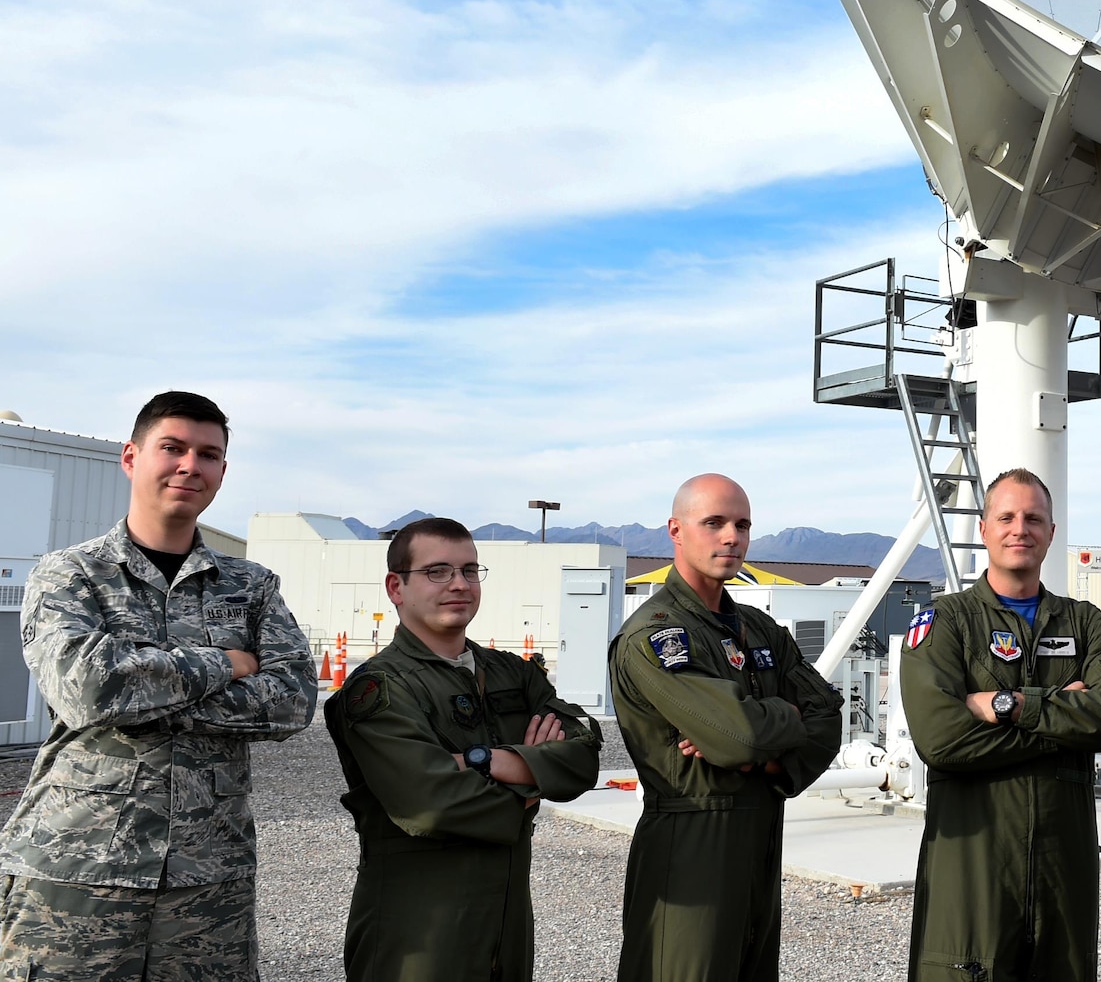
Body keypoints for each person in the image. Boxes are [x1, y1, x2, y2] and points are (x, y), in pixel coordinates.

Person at [0, 391, 316, 979]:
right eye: (172, 448)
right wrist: (228, 663)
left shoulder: (250, 585)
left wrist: (142, 688)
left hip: (208, 877)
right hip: (77, 868)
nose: (189, 465)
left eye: (209, 454)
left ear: (223, 470)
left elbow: (294, 700)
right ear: (131, 457)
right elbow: (87, 690)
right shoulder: (71, 574)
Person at [325, 516, 602, 981]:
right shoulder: (379, 689)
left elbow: (583, 751)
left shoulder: (513, 672)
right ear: (397, 587)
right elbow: (431, 802)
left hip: (506, 926)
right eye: (437, 571)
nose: (459, 584)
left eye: (469, 570)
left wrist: (486, 759)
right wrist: (533, 784)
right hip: (418, 933)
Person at [900, 467, 1101, 982]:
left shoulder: (1086, 622)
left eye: (1034, 518)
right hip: (972, 865)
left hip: (1063, 868)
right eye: (1006, 517)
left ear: (1051, 533)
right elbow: (941, 739)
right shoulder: (945, 622)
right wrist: (1064, 717)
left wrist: (1011, 705)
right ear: (984, 528)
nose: (1020, 529)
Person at [611, 474, 843, 982]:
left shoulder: (758, 628)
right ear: (676, 529)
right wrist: (779, 721)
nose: (730, 537)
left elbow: (828, 716)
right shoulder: (656, 635)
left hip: (761, 836)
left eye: (741, 525)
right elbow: (741, 731)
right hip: (691, 843)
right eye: (713, 523)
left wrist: (770, 754)